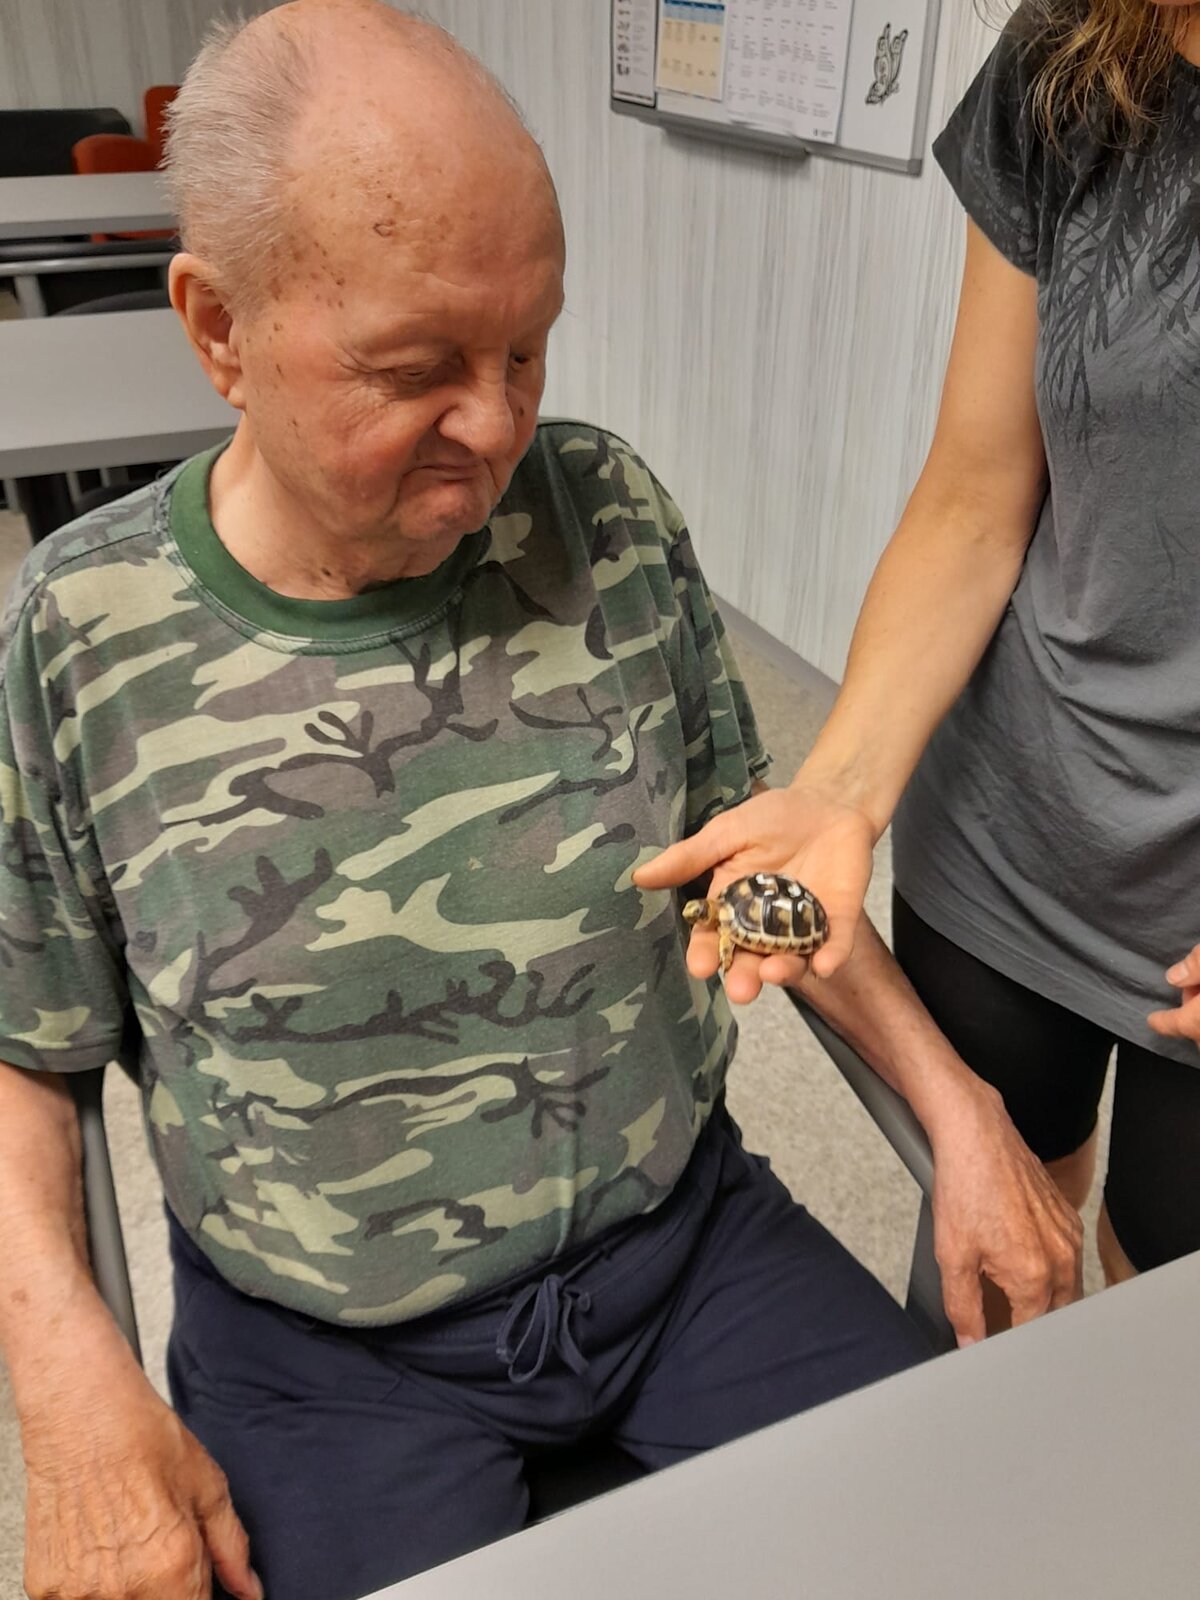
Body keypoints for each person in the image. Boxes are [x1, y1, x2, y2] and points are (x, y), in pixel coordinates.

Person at [0, 6, 1077, 1600]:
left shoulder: (607, 513)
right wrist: (64, 1386)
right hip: (327, 1348)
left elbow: (754, 867)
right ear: (218, 329)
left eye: (527, 349)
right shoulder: (83, 634)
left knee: (974, 1553)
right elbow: (30, 1049)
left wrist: (963, 1111)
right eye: (418, 369)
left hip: (680, 1248)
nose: (501, 426)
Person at [639, 0, 1200, 1320]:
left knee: (1157, 1332)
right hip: (1019, 816)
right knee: (1005, 1249)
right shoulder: (1078, 50)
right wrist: (839, 790)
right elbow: (977, 491)